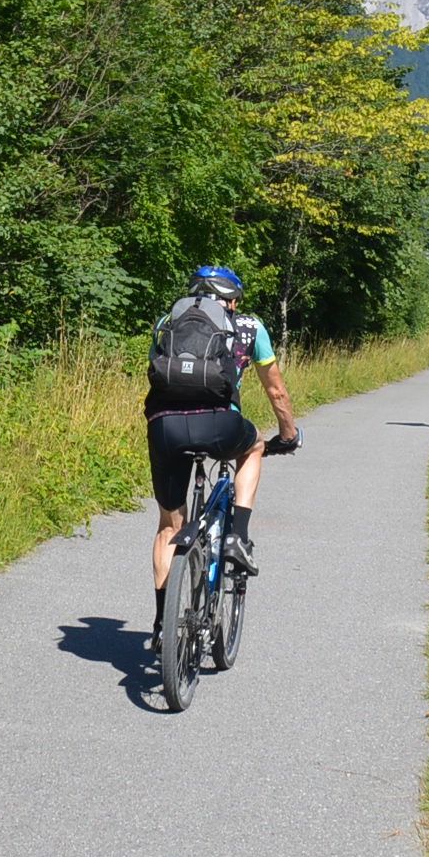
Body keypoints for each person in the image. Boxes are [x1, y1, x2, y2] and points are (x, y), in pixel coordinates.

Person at [145, 264, 296, 616]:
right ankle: (237, 536)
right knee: (254, 445)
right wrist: (287, 434)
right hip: (219, 425)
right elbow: (276, 391)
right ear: (233, 300)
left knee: (169, 526)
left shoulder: (167, 322)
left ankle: (162, 624)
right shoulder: (250, 327)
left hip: (165, 427)